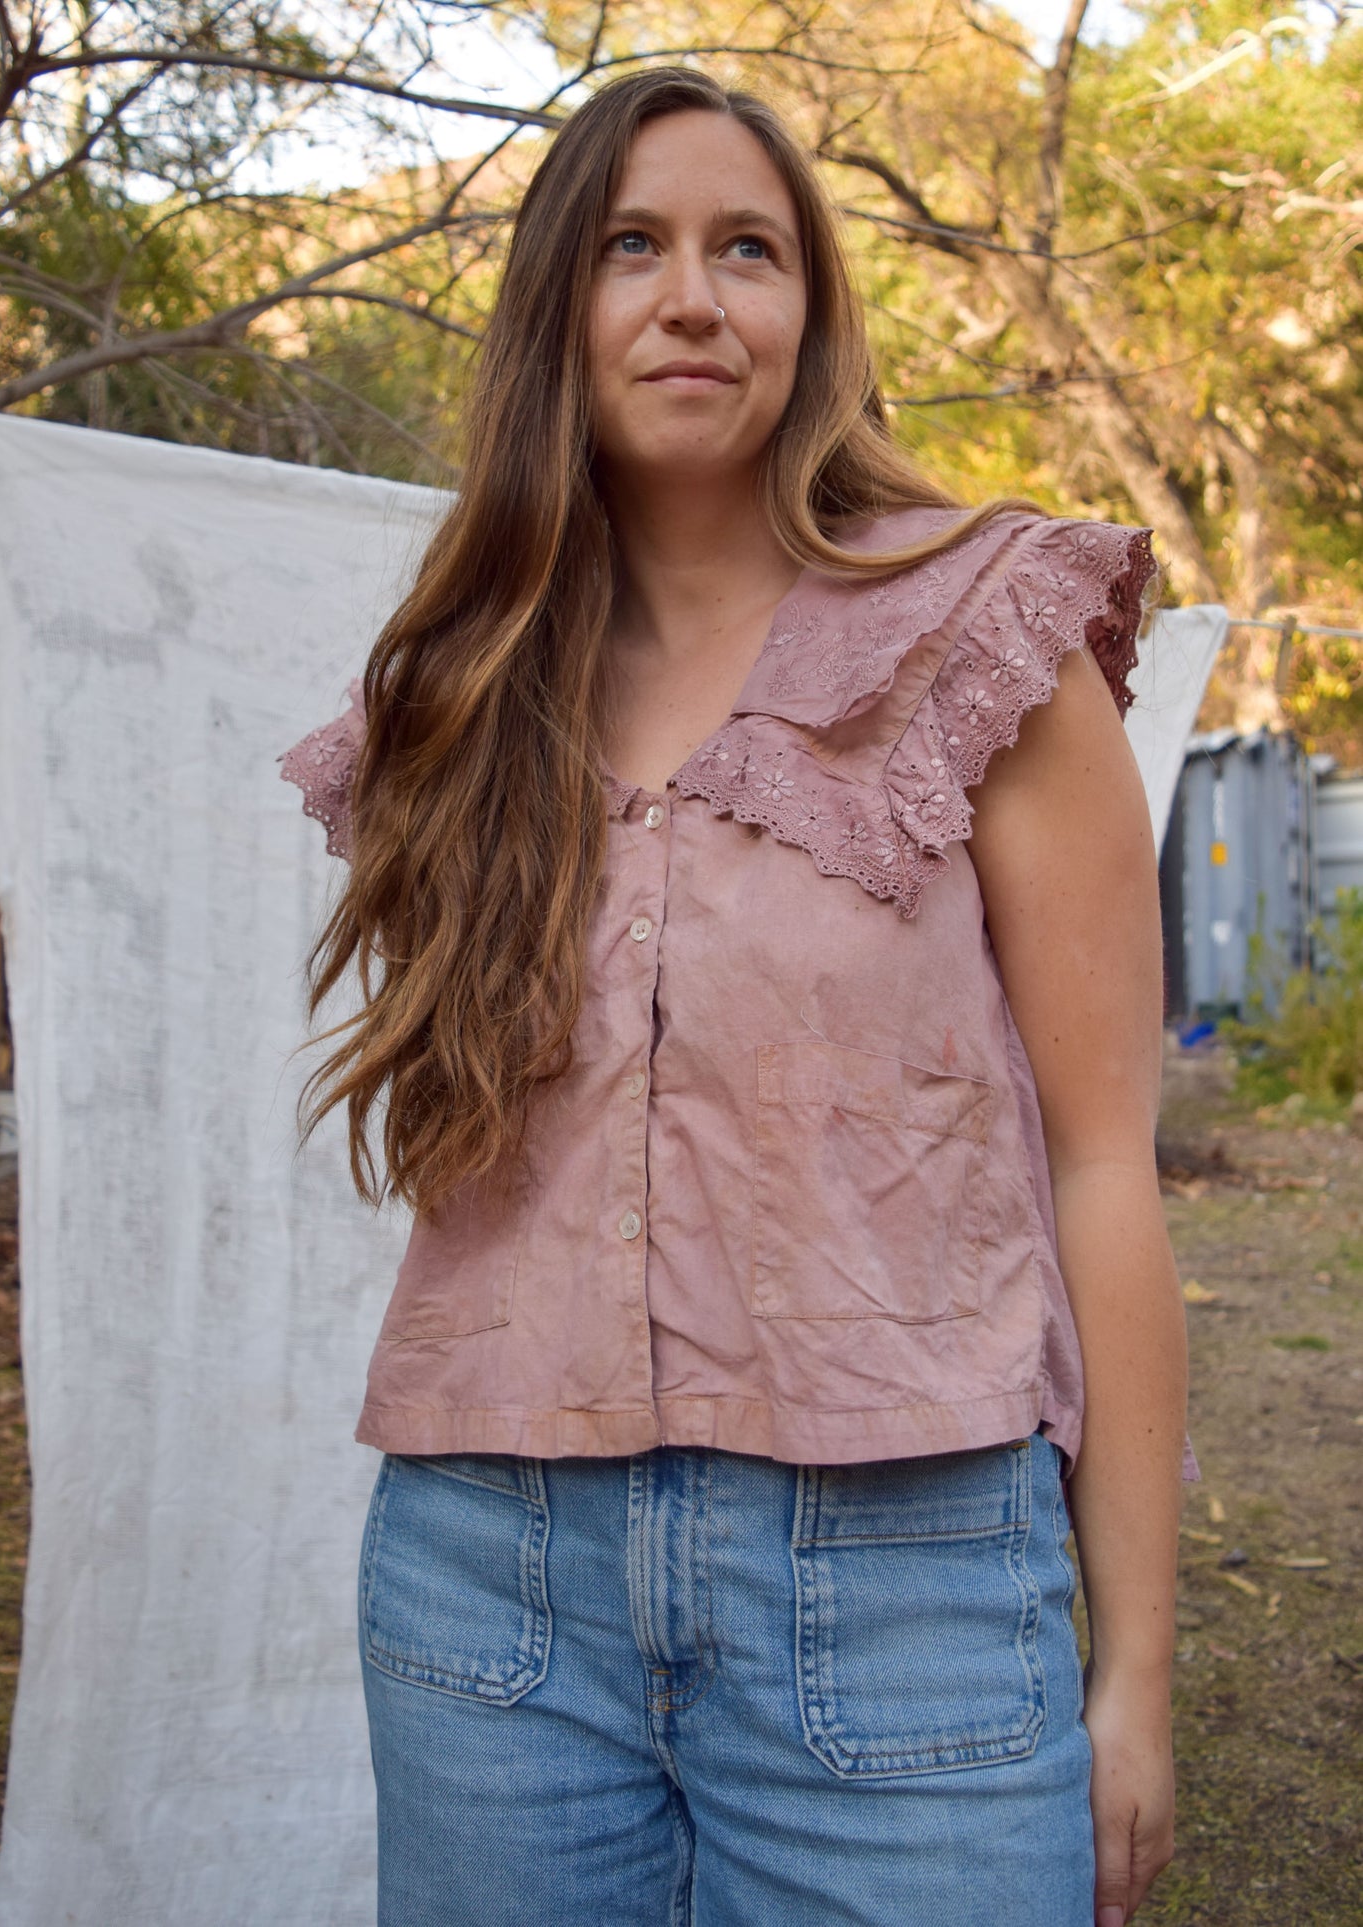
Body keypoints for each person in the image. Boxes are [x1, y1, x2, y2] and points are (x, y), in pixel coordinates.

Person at [280, 64, 1190, 1927]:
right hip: (487, 1587)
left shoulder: (984, 637)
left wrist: (1138, 1674)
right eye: (635, 246)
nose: (694, 297)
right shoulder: (450, 704)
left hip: (912, 1591)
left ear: (810, 315)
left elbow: (1105, 1169)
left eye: (748, 251)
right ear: (559, 311)